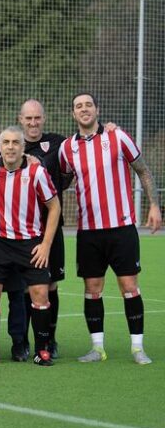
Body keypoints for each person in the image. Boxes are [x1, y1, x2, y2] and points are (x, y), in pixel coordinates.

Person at [59, 93, 161, 365]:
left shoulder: (118, 137)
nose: (84, 109)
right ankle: (97, 348)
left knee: (129, 286)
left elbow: (143, 170)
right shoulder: (67, 148)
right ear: (73, 114)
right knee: (92, 288)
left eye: (88, 105)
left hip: (121, 227)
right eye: (78, 106)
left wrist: (154, 205)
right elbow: (62, 181)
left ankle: (138, 348)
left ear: (97, 110)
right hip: (89, 230)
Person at [0, 127, 60, 366]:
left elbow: (54, 207)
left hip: (29, 243)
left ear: (23, 148)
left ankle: (42, 350)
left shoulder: (37, 172)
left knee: (40, 295)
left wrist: (45, 245)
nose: (10, 147)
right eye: (6, 142)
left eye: (15, 143)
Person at [18, 99, 70, 358]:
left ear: (44, 118)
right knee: (29, 287)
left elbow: (84, 145)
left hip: (52, 226)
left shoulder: (59, 143)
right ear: (20, 120)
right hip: (25, 229)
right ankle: (28, 340)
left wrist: (108, 128)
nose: (33, 122)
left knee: (50, 286)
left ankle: (50, 339)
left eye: (37, 117)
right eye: (28, 118)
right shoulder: (12, 145)